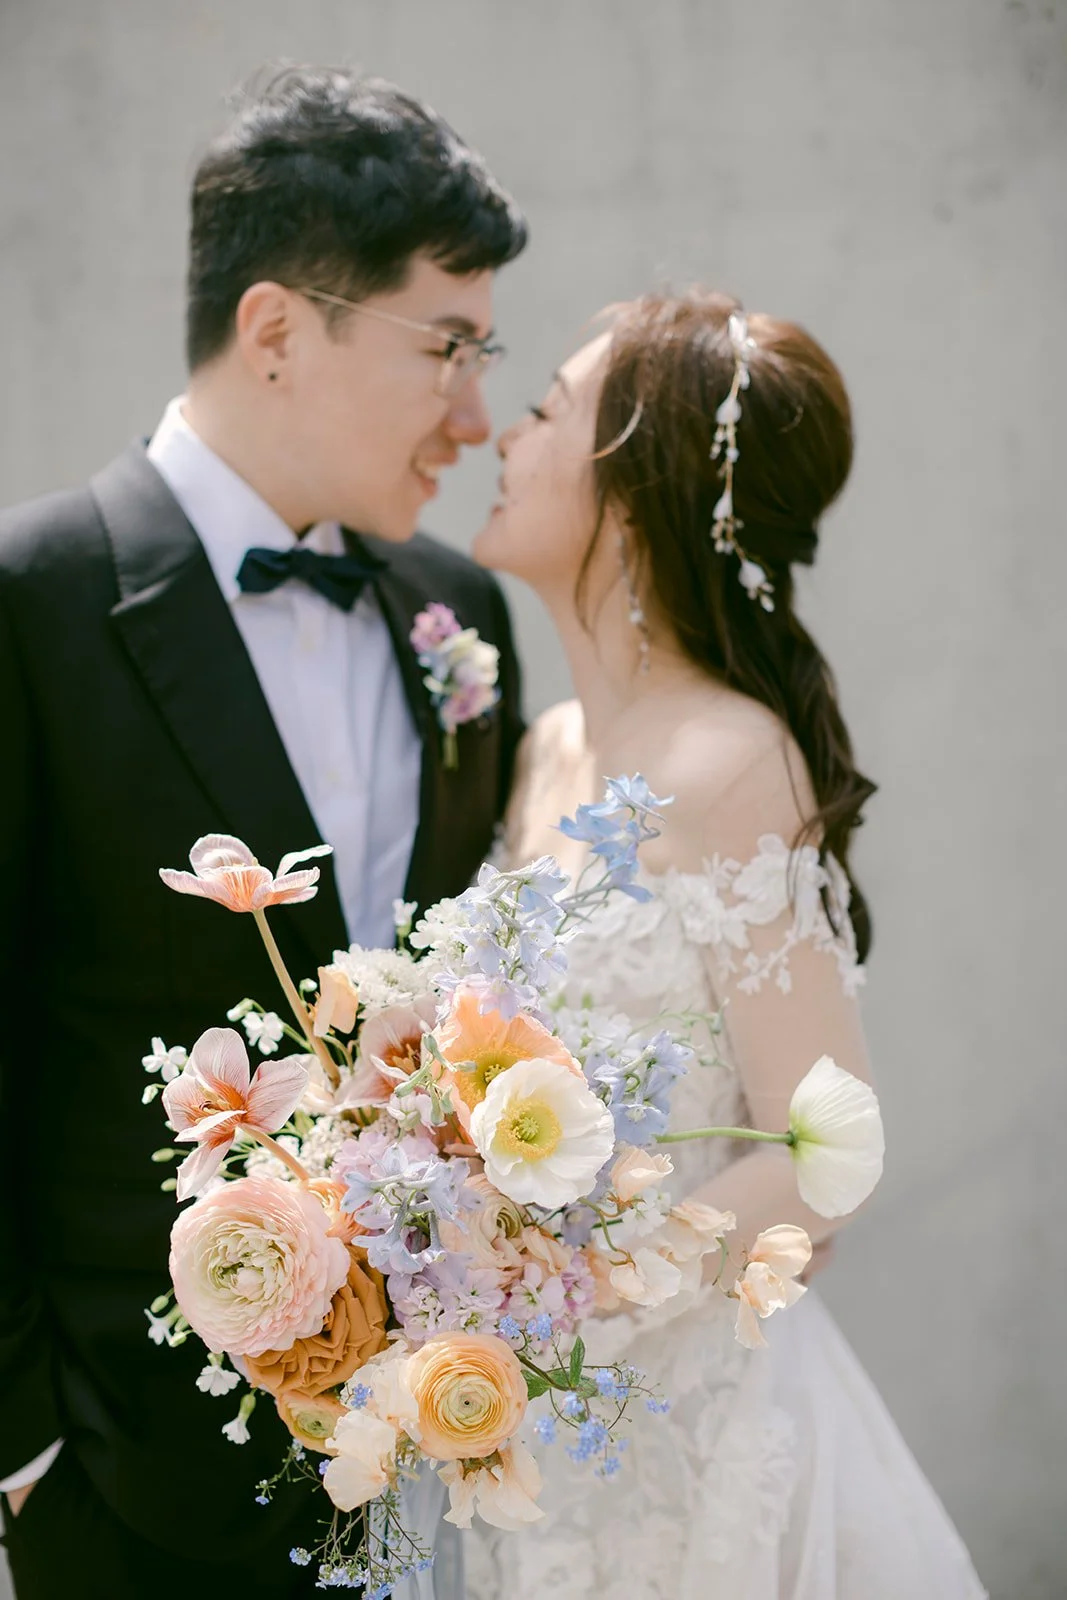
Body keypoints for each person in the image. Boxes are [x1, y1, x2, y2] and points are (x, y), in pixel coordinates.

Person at [0, 67, 526, 1599]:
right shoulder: (31, 601)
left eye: (485, 355)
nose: (477, 413)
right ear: (280, 330)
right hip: (123, 1478)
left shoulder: (460, 614)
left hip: (427, 1452)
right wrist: (26, 1454)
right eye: (446, 346)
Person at [467, 290, 987, 1597]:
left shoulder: (730, 762)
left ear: (631, 494)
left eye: (539, 415)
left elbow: (827, 1150)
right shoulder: (542, 754)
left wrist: (569, 1301)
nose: (500, 441)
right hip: (531, 1434)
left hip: (678, 1436)